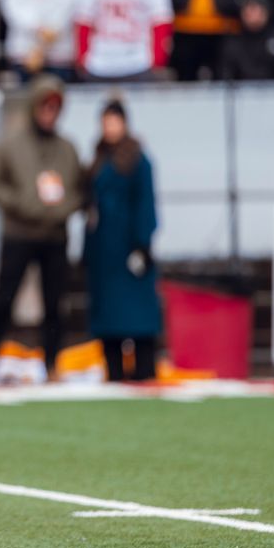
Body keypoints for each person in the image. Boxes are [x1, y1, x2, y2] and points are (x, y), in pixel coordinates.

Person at [0, 75, 85, 381]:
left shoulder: (68, 148)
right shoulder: (11, 146)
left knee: (55, 305)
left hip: (55, 236)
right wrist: (21, 205)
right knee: (3, 301)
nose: (50, 113)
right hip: (18, 234)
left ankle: (52, 366)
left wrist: (64, 208)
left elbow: (80, 189)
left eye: (56, 107)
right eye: (45, 106)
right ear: (34, 107)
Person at [83, 99, 161, 381]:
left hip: (128, 248)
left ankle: (144, 370)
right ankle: (113, 371)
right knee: (108, 320)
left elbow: (146, 203)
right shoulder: (98, 159)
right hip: (104, 252)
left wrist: (142, 243)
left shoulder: (138, 160)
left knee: (139, 316)